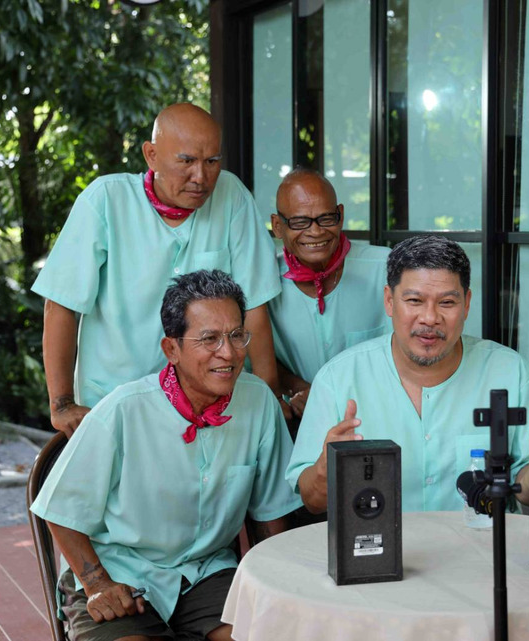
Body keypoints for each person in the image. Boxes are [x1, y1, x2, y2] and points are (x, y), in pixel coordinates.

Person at [31, 269, 301, 641]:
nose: (228, 352)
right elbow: (61, 510)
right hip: (120, 571)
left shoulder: (258, 403)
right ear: (171, 349)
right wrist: (97, 584)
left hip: (206, 572)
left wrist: (276, 588)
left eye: (237, 335)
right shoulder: (124, 409)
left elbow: (270, 511)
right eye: (209, 338)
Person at [32, 103, 281, 437]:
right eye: (187, 161)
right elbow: (61, 304)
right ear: (151, 155)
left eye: (211, 161)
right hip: (113, 404)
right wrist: (61, 404)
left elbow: (255, 307)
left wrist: (270, 401)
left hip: (212, 404)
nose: (201, 177)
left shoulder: (232, 196)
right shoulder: (106, 200)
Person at [286, 235, 529, 513]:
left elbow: (525, 490)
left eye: (447, 303)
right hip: (377, 542)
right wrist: (324, 470)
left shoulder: (511, 373)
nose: (430, 318)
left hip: (482, 542)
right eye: (414, 300)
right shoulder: (339, 379)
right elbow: (312, 500)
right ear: (389, 301)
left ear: (467, 303)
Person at [268, 168, 390, 420]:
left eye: (326, 218)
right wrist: (298, 388)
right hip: (297, 421)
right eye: (299, 222)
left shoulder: (386, 269)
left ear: (341, 215)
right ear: (278, 226)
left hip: (377, 415)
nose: (315, 231)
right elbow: (253, 354)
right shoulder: (264, 281)